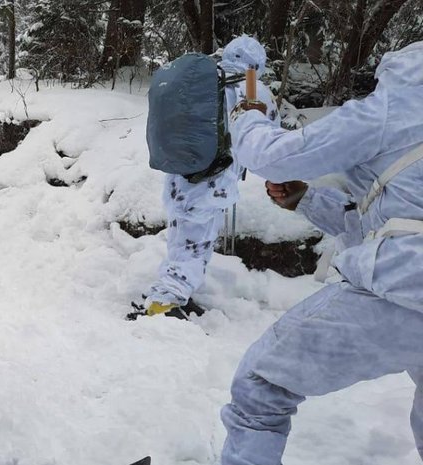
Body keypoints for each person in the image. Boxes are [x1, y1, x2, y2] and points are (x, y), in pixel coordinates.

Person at [220, 41, 423, 464]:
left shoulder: (395, 106)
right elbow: (399, 219)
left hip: (408, 292)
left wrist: (247, 114)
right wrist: (308, 201)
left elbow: (270, 156)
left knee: (260, 386)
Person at [134, 36, 280, 320]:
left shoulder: (208, 77)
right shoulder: (249, 85)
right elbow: (264, 138)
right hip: (212, 179)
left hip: (182, 173)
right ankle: (166, 299)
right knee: (196, 241)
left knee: (182, 236)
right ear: (257, 63)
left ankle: (172, 290)